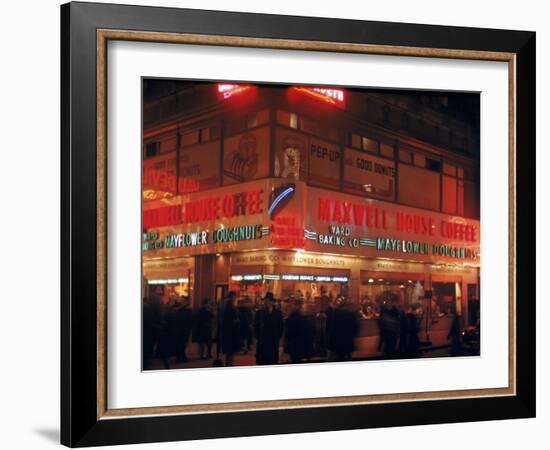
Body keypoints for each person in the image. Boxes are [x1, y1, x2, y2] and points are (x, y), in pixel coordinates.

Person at [254, 292, 284, 365]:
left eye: (267, 301)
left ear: (272, 302)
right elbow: (255, 326)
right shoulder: (259, 313)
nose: (266, 302)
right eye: (265, 301)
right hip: (263, 341)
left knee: (272, 361)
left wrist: (278, 337)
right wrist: (258, 337)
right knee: (262, 361)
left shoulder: (278, 313)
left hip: (273, 341)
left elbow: (281, 326)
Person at [327, 296, 359, 362]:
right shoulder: (351, 315)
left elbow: (332, 328)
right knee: (347, 355)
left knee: (338, 357)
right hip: (347, 339)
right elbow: (355, 328)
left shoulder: (336, 314)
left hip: (337, 340)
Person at [284, 299, 308, 363]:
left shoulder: (293, 317)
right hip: (297, 344)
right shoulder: (301, 317)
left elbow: (288, 332)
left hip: (294, 344)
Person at [220, 292, 241, 366]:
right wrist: (236, 321)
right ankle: (229, 366)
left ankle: (228, 365)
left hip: (227, 333)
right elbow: (231, 320)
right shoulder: (231, 308)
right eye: (235, 297)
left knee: (229, 353)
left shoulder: (225, 307)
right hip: (231, 333)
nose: (236, 299)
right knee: (230, 353)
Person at [174, 296, 193, 363]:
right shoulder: (179, 310)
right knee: (180, 343)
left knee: (183, 343)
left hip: (185, 329)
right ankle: (181, 356)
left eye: (183, 301)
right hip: (180, 329)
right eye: (181, 301)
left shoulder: (188, 310)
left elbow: (190, 320)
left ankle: (181, 356)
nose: (181, 302)